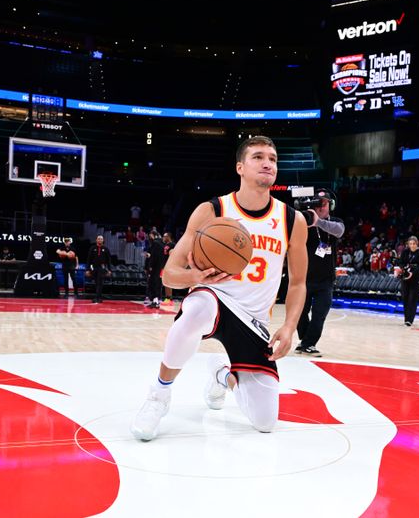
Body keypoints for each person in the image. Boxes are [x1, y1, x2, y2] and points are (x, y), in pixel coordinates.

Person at [130, 135, 308, 441]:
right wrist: (198, 278)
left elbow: (298, 283)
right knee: (196, 310)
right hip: (216, 298)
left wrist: (290, 327)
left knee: (265, 422)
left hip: (255, 321)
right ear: (240, 167)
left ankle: (222, 374)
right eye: (258, 157)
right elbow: (169, 275)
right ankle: (158, 395)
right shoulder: (213, 211)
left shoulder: (293, 220)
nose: (267, 163)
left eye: (273, 159)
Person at [295, 189, 344, 357]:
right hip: (304, 278)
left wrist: (318, 222)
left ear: (331, 205)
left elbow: (339, 231)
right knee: (299, 314)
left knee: (319, 315)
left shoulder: (335, 222)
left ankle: (308, 344)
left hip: (326, 280)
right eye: (318, 204)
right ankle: (305, 341)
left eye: (324, 204)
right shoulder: (304, 222)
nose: (321, 207)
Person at [396, 236, 419, 326]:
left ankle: (410, 320)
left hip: (416, 279)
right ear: (408, 244)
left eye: (414, 244)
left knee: (412, 299)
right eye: (410, 244)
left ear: (417, 244)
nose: (412, 246)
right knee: (405, 298)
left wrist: (412, 272)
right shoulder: (405, 252)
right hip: (405, 278)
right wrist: (403, 269)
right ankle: (406, 319)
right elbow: (401, 262)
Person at [86, 235, 112, 303]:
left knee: (100, 282)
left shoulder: (106, 249)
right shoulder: (92, 248)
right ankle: (98, 296)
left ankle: (98, 297)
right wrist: (87, 269)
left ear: (103, 240)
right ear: (96, 240)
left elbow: (109, 260)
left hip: (102, 268)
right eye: (98, 239)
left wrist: (109, 270)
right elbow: (89, 259)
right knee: (96, 282)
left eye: (101, 239)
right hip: (94, 268)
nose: (100, 240)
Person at [144, 231, 165, 308]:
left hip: (155, 267)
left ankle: (155, 302)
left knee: (153, 284)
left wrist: (150, 265)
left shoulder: (155, 243)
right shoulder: (162, 243)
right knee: (157, 284)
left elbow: (154, 256)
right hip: (161, 267)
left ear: (154, 235)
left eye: (150, 235)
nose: (149, 237)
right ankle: (155, 301)